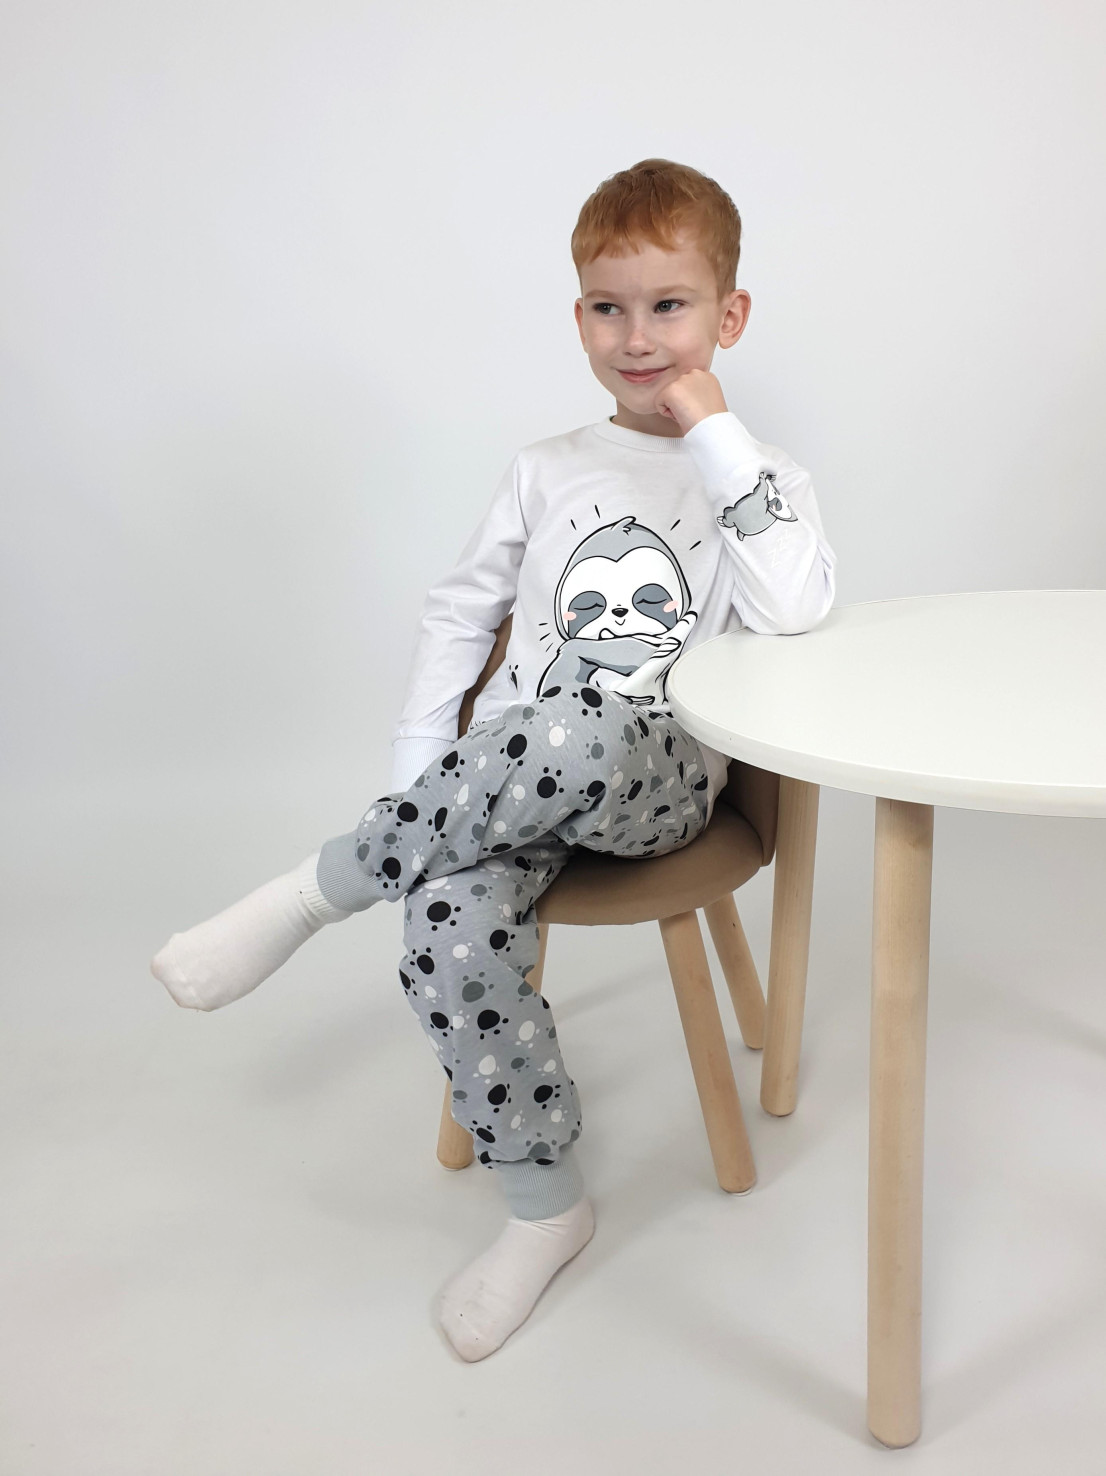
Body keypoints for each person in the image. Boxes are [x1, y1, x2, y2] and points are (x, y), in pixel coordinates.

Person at [150, 158, 838, 1362]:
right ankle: (544, 1206)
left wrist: (713, 435)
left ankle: (313, 891)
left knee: (573, 724)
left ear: (728, 317)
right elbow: (459, 615)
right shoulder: (544, 466)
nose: (636, 337)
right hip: (503, 782)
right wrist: (416, 779)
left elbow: (793, 609)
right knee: (444, 926)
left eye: (668, 306)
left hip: (657, 780)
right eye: (608, 308)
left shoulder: (759, 477)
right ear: (577, 318)